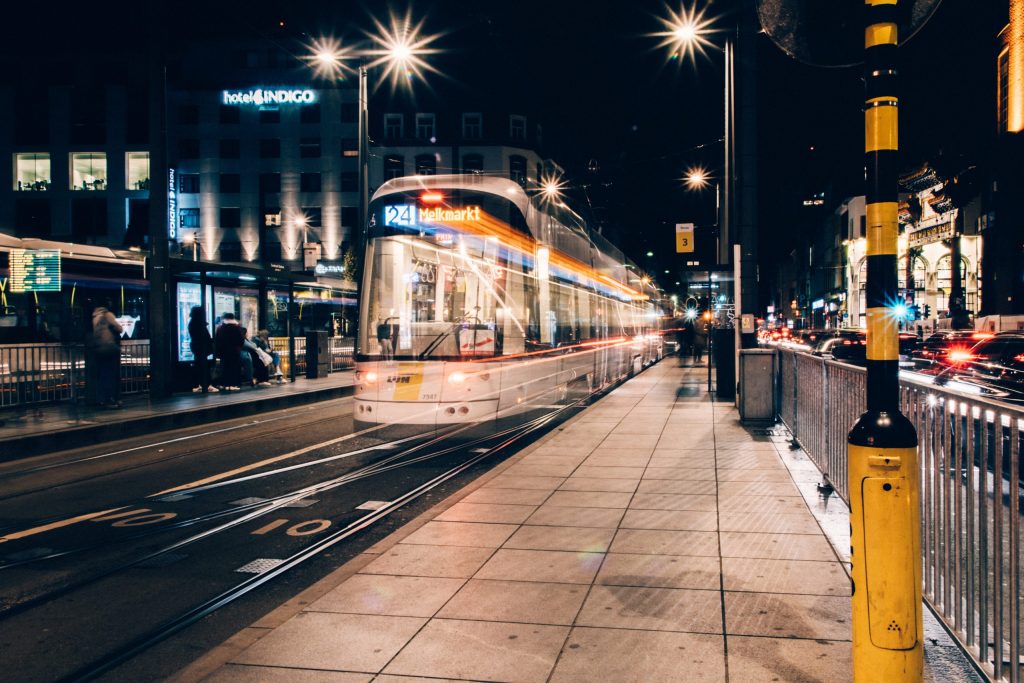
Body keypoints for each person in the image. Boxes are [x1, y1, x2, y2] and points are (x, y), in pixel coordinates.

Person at [91, 301, 123, 408]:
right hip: (109, 348)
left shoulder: (95, 317)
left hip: (99, 350)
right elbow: (119, 328)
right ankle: (110, 399)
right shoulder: (108, 315)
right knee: (111, 375)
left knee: (102, 375)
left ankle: (102, 399)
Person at [187, 307, 218, 394]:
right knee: (203, 366)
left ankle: (199, 384)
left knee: (199, 365)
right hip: (200, 347)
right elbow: (203, 337)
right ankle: (206, 385)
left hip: (197, 347)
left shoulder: (193, 323)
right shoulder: (198, 324)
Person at [214, 313, 245, 391]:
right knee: (234, 368)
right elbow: (241, 341)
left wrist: (218, 351)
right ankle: (233, 384)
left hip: (223, 352)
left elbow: (217, 341)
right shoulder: (237, 328)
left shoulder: (220, 328)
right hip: (234, 351)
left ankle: (225, 384)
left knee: (224, 368)